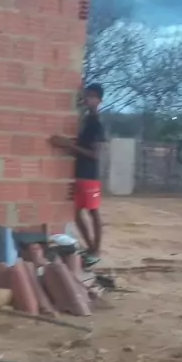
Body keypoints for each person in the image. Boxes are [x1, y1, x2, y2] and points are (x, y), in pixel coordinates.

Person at [50, 83, 106, 267]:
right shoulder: (86, 121)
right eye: (86, 95)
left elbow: (95, 154)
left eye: (92, 96)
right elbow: (81, 147)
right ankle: (91, 248)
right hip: (81, 174)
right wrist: (66, 145)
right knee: (76, 213)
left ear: (99, 100)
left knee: (93, 212)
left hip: (89, 176)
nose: (87, 99)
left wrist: (68, 145)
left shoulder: (96, 124)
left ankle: (95, 251)